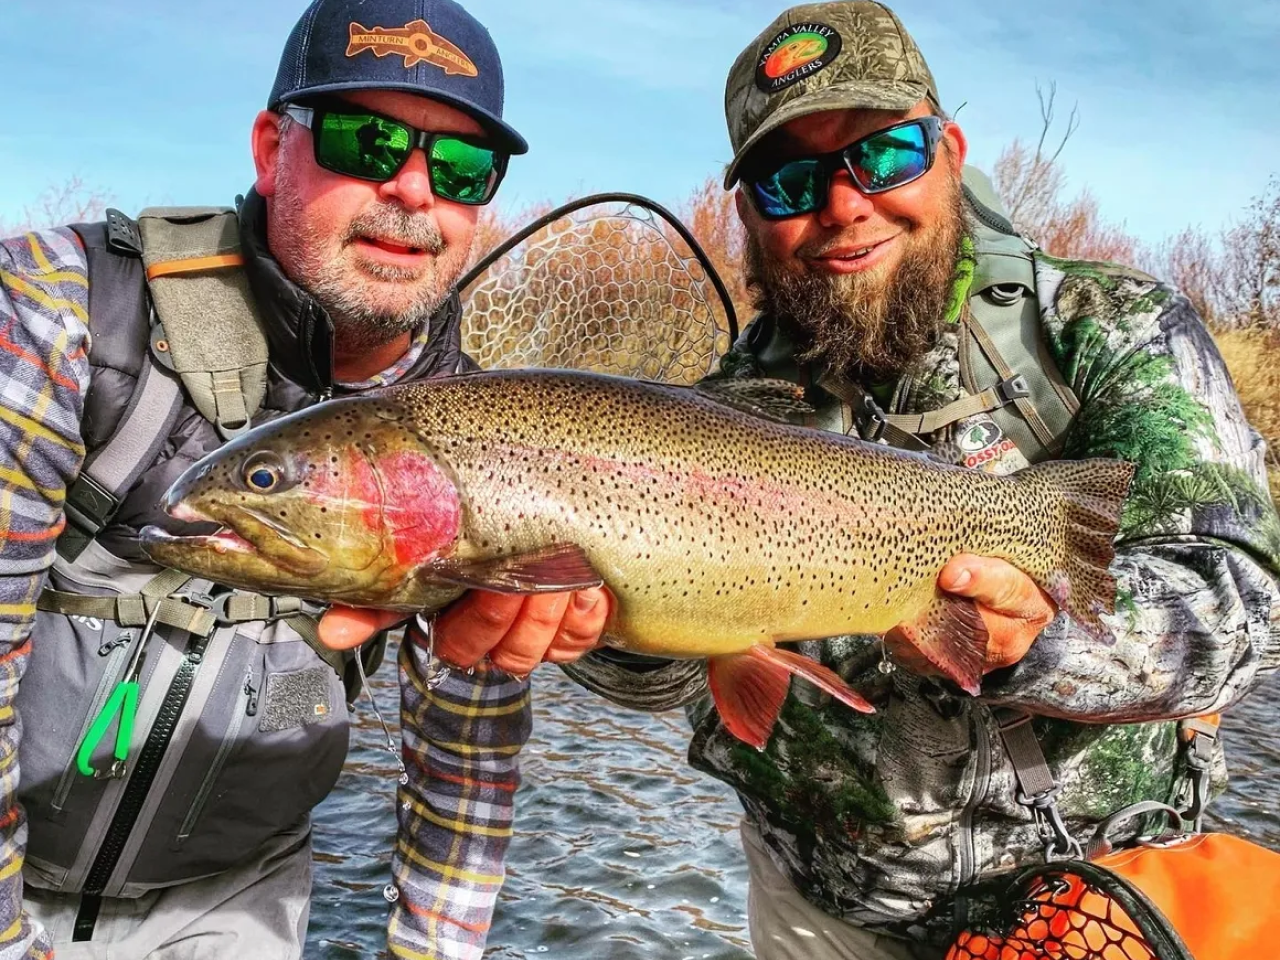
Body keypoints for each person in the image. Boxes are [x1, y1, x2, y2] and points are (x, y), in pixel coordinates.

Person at [336, 1, 1280, 957]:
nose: (843, 204)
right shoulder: (722, 409)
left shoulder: (1107, 328)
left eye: (884, 156)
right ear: (746, 209)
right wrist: (596, 631)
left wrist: (1032, 642)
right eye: (791, 180)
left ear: (948, 150)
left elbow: (1249, 611)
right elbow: (672, 679)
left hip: (1092, 906)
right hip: (811, 908)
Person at [0, 0, 605, 957]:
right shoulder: (57, 314)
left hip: (236, 907)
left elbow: (463, 762)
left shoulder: (509, 449)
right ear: (271, 145)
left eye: (459, 167)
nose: (412, 191)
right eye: (368, 141)